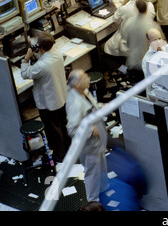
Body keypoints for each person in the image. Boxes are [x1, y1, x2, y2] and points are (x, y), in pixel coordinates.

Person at [21, 31, 70, 162]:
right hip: (61, 96)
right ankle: (68, 148)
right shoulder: (57, 54)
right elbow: (45, 57)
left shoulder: (41, 66)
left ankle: (59, 155)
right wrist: (37, 53)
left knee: (53, 130)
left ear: (40, 47)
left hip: (49, 103)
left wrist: (26, 58)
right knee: (62, 124)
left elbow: (25, 74)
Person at [66, 69, 109, 204]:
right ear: (77, 84)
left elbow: (92, 107)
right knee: (92, 174)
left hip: (97, 143)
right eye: (85, 77)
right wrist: (90, 131)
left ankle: (104, 191)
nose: (89, 78)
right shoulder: (75, 103)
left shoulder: (84, 92)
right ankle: (93, 202)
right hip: (89, 146)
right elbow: (72, 129)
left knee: (101, 170)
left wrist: (102, 106)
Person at [103, 0, 156, 70]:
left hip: (129, 45)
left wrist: (124, 3)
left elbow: (115, 20)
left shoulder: (124, 9)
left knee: (104, 49)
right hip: (145, 42)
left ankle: (124, 71)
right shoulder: (150, 5)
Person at [126, 0, 162, 83]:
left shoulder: (129, 23)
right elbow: (160, 46)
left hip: (134, 64)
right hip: (148, 64)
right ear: (146, 10)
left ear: (137, 9)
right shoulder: (153, 26)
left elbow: (128, 44)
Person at [141, 27, 167, 97]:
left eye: (159, 38)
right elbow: (152, 83)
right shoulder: (146, 60)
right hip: (156, 96)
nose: (158, 42)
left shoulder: (165, 49)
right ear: (149, 42)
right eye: (155, 40)